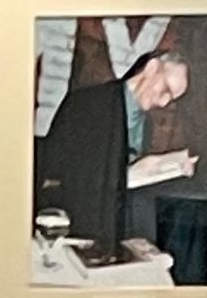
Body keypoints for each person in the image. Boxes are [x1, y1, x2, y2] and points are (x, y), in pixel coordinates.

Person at [35, 48, 196, 265]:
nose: (165, 102)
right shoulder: (89, 103)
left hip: (117, 236)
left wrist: (165, 168)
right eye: (166, 89)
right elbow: (65, 174)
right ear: (151, 68)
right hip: (77, 235)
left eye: (172, 99)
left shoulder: (146, 124)